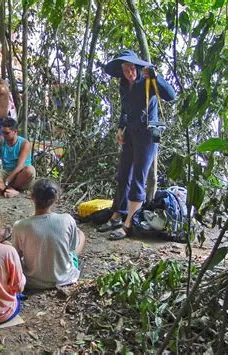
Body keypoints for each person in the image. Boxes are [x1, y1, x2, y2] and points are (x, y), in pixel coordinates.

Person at [100, 49, 177, 240]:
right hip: (131, 133)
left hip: (148, 135)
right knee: (123, 173)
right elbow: (125, 109)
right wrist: (121, 127)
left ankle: (129, 224)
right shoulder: (124, 84)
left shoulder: (147, 81)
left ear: (137, 67)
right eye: (125, 69)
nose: (129, 72)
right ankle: (118, 214)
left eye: (132, 68)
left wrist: (156, 77)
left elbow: (170, 95)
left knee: (138, 177)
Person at [12, 179, 86, 289]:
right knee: (81, 235)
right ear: (56, 199)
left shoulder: (20, 225)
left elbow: (18, 255)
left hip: (32, 281)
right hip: (65, 278)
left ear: (32, 196)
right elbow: (71, 248)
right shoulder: (67, 219)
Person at [0, 118, 35, 198]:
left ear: (15, 132)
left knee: (30, 170)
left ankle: (5, 187)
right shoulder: (0, 142)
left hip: (20, 175)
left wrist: (6, 182)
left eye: (7, 133)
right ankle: (10, 189)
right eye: (2, 132)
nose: (4, 135)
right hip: (6, 173)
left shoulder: (24, 143)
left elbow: (20, 166)